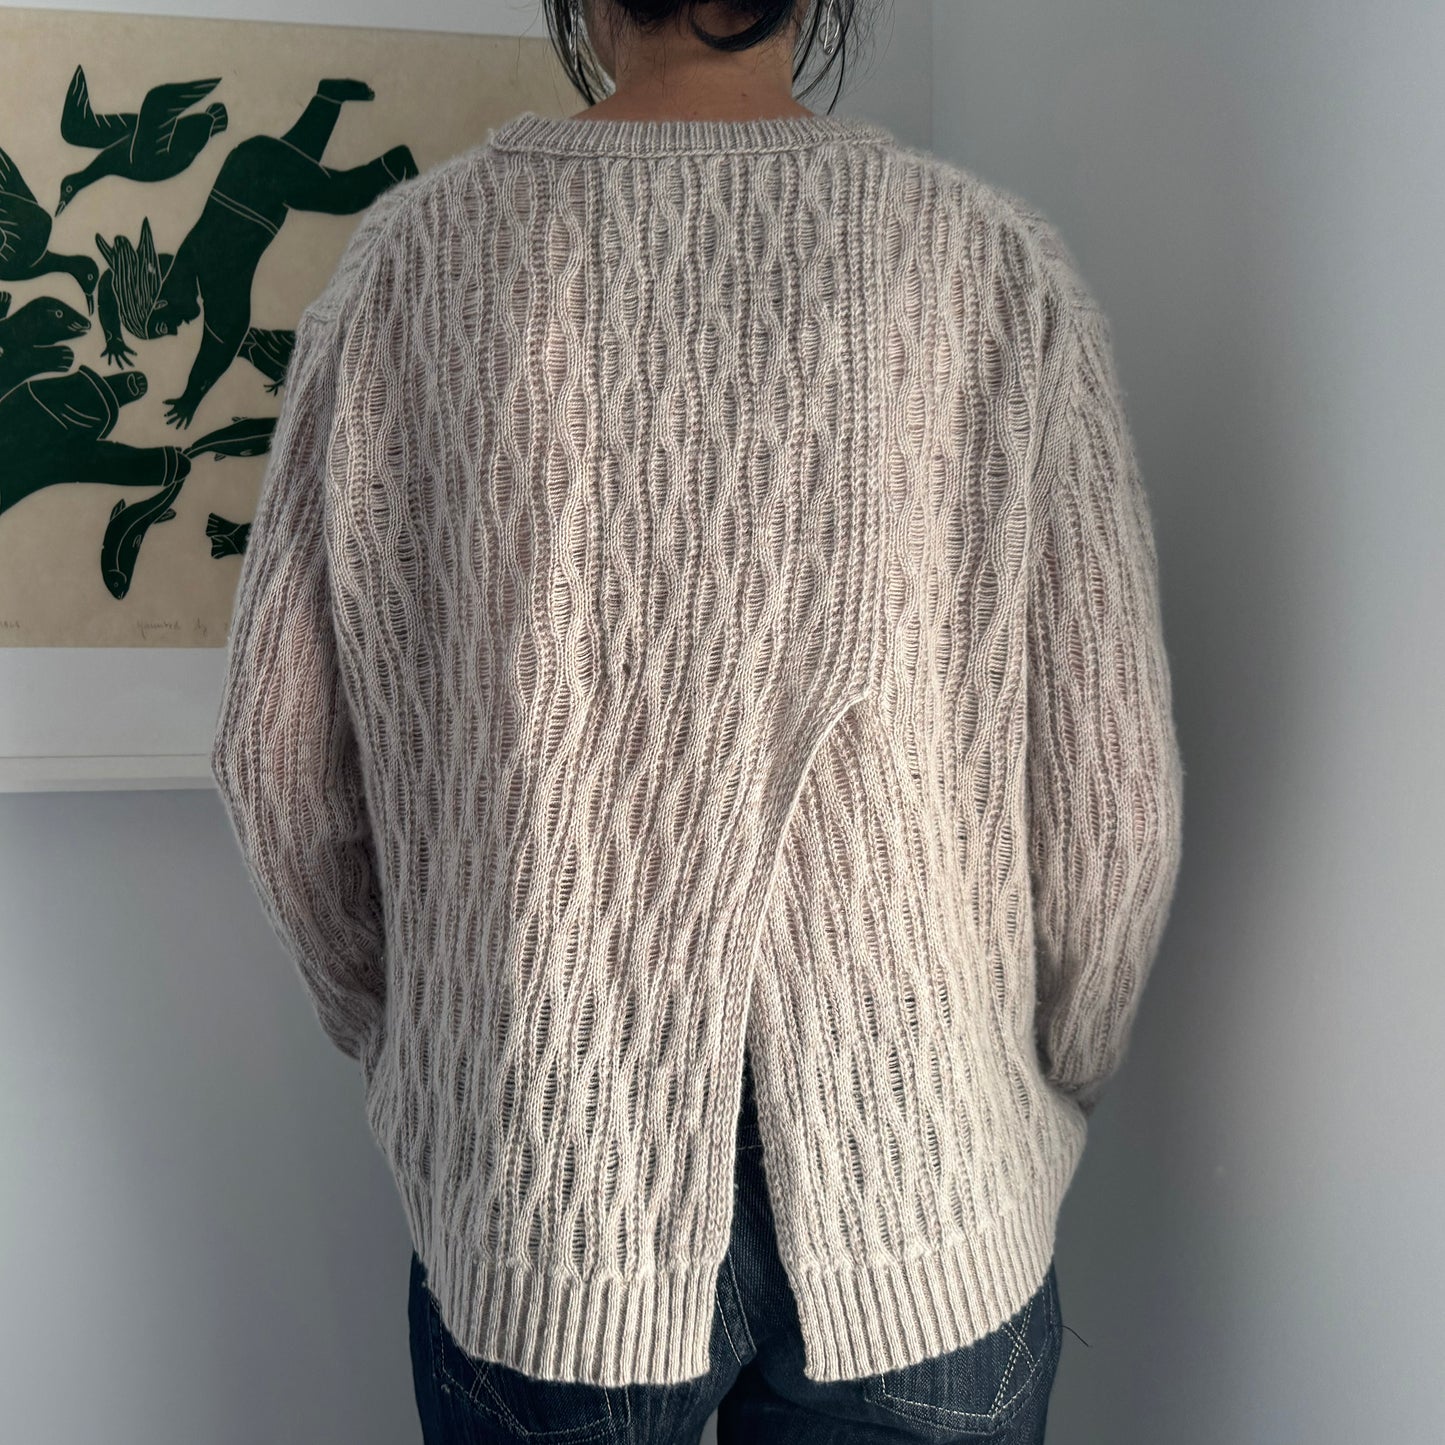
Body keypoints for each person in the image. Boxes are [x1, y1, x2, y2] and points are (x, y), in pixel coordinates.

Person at [209, 0, 1185, 1440]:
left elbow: (274, 761)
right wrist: (1043, 1071)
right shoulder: (984, 267)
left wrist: (434, 1042)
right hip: (927, 1154)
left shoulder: (416, 265)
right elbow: (1112, 798)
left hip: (548, 1165)